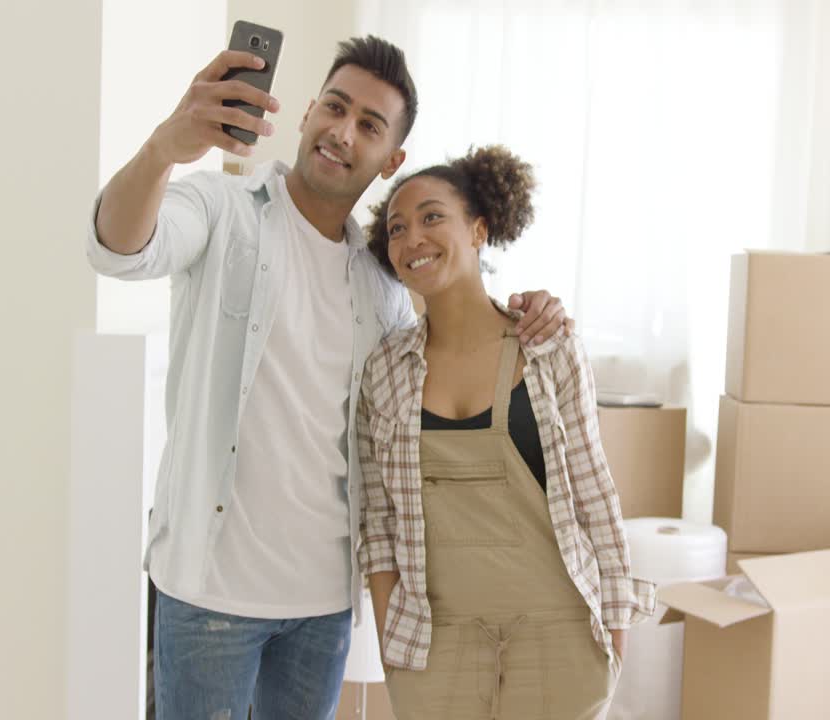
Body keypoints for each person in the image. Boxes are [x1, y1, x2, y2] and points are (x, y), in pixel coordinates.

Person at [84, 36, 570, 719]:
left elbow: (450, 355)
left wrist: (530, 310)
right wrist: (166, 147)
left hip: (323, 606)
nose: (343, 132)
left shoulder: (384, 283)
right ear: (309, 110)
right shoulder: (224, 209)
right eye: (335, 108)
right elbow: (119, 249)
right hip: (208, 594)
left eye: (369, 126)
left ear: (390, 160)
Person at [357, 145, 655, 720]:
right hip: (433, 646)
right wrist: (392, 638)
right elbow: (379, 520)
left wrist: (614, 638)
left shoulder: (549, 346)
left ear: (478, 229)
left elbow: (596, 494)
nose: (413, 237)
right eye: (397, 228)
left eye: (431, 217)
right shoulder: (383, 371)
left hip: (560, 634)